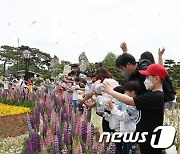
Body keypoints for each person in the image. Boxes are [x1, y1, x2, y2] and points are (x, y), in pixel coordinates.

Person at [102, 63, 168, 154]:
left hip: (151, 139)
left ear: (156, 79)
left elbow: (130, 101)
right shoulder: (152, 94)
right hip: (146, 137)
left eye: (148, 77)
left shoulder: (155, 96)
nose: (146, 80)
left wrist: (110, 91)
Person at [104, 81, 140, 154]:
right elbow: (116, 109)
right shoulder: (125, 103)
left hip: (131, 134)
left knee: (129, 151)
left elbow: (124, 116)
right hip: (124, 132)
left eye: (126, 92)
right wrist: (110, 106)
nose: (124, 95)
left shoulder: (134, 105)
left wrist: (113, 108)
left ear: (132, 92)